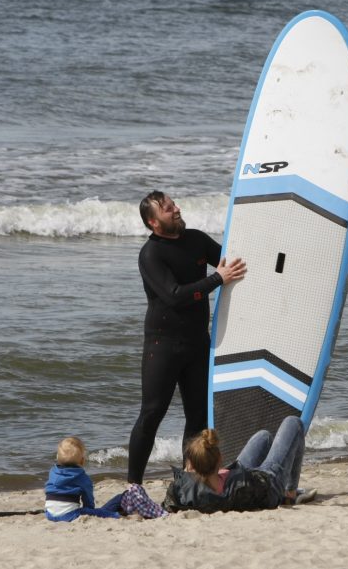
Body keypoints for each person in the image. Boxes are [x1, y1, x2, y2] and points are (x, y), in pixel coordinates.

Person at [127, 191, 246, 485]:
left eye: (174, 204)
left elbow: (231, 263)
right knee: (152, 414)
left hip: (197, 343)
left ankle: (189, 483)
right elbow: (175, 296)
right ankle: (134, 486)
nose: (176, 209)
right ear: (154, 222)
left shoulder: (196, 240)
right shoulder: (151, 254)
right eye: (168, 209)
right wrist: (217, 279)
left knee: (198, 417)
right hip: (163, 346)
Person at [161, 415, 307, 513]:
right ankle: (290, 493)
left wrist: (186, 475)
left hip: (244, 480)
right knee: (293, 422)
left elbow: (169, 504)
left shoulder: (186, 492)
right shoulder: (237, 487)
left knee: (264, 436)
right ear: (220, 459)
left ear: (191, 465)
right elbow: (259, 485)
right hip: (268, 484)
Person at [44, 436, 167, 521]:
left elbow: (50, 489)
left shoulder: (52, 471)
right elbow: (88, 499)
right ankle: (119, 516)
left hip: (49, 514)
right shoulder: (82, 477)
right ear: (82, 461)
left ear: (57, 457)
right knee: (101, 512)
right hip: (69, 515)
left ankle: (120, 504)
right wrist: (90, 510)